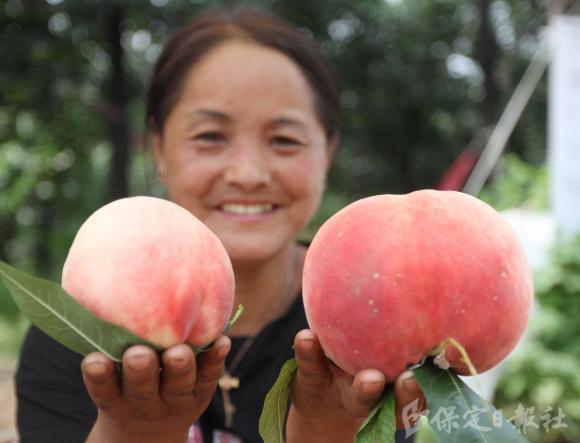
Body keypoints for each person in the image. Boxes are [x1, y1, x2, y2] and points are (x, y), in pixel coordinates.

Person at [15, 8, 425, 443]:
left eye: (284, 139)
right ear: (159, 148)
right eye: (210, 136)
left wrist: (326, 430)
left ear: (328, 152)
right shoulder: (79, 329)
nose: (247, 173)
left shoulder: (367, 324)